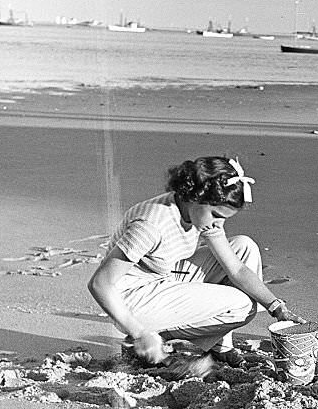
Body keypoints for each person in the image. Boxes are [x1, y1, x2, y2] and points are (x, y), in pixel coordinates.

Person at [88, 155, 305, 377]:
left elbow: (236, 268)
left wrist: (277, 308)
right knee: (242, 306)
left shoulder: (197, 213)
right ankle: (155, 340)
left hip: (161, 278)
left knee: (244, 246)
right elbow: (100, 284)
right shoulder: (150, 226)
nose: (218, 224)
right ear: (195, 197)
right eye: (216, 215)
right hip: (130, 302)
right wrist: (139, 333)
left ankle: (219, 345)